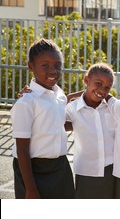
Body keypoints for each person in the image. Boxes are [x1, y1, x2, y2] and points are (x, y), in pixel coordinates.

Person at [11, 38, 75, 199]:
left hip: (60, 166)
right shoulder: (26, 102)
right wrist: (30, 189)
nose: (53, 70)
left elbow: (57, 121)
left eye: (57, 65)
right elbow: (22, 149)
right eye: (45, 65)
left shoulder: (58, 95)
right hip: (33, 170)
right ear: (31, 66)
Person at [65, 63, 117, 198]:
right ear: (86, 80)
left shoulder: (113, 108)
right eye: (98, 84)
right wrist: (69, 96)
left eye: (107, 87)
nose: (102, 90)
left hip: (112, 171)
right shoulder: (72, 108)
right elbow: (53, 119)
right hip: (86, 172)